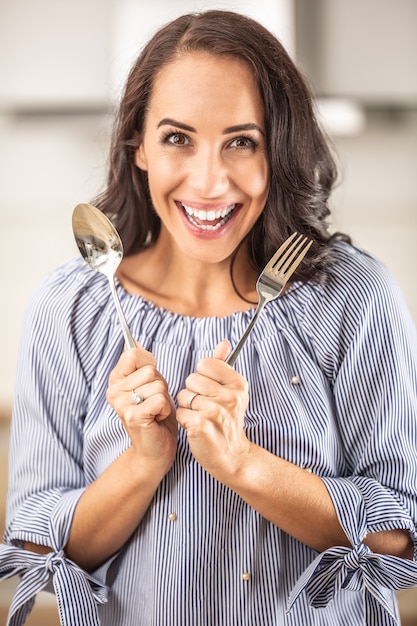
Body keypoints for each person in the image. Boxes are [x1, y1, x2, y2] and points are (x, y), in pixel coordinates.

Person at [1, 9, 417, 626]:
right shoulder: (69, 306)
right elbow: (35, 553)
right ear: (138, 146)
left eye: (241, 142)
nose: (209, 181)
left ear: (279, 148)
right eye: (177, 138)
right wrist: (143, 460)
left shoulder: (353, 295)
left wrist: (243, 463)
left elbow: (400, 539)